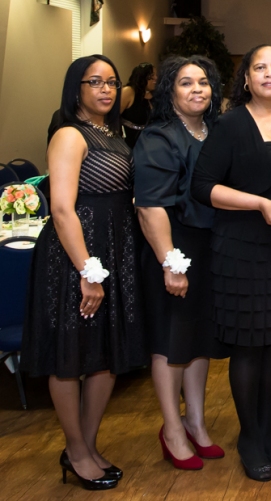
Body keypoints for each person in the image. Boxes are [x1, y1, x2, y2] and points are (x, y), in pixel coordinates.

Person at [21, 54, 145, 490]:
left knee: (105, 356)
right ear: (76, 88)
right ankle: (75, 450)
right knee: (70, 357)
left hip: (112, 250)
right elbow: (60, 208)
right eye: (95, 82)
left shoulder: (111, 133)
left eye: (112, 82)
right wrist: (88, 270)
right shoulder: (70, 135)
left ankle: (87, 446)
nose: (106, 89)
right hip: (76, 256)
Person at [190, 44, 271, 482]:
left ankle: (266, 431)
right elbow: (203, 187)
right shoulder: (230, 124)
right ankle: (248, 436)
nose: (268, 73)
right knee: (248, 346)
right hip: (240, 247)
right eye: (259, 66)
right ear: (245, 78)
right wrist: (257, 203)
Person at [134, 56, 229, 470]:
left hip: (211, 248)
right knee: (171, 342)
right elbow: (150, 206)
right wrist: (171, 263)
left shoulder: (216, 132)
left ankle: (196, 422)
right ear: (170, 90)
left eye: (203, 82)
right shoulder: (160, 137)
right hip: (174, 247)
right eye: (186, 82)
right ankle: (171, 428)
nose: (197, 89)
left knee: (199, 341)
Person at [121, 62, 157, 148]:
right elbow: (113, 117)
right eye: (152, 76)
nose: (155, 78)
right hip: (130, 143)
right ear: (142, 77)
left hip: (150, 143)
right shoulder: (129, 92)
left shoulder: (155, 96)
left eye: (156, 75)